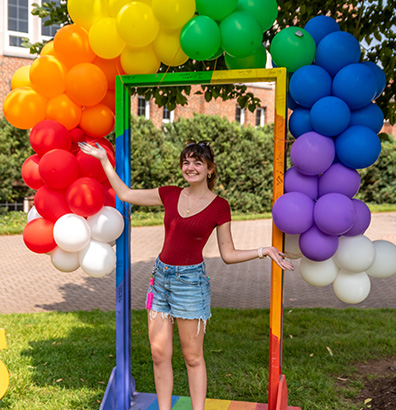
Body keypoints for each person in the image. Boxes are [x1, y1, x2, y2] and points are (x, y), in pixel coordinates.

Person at [79, 140, 294, 410]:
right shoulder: (169, 193)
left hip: (190, 284)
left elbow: (228, 253)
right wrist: (102, 159)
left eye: (197, 163)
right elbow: (125, 193)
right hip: (160, 279)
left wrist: (264, 250)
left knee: (192, 357)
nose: (190, 168)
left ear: (210, 170)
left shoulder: (219, 206)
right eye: (186, 162)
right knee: (159, 355)